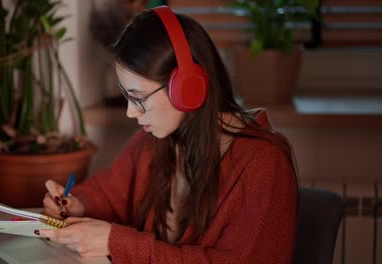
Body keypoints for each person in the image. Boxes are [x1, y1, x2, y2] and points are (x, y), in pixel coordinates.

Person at [37, 5, 298, 263]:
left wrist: (115, 242)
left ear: (188, 89)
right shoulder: (153, 140)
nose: (131, 112)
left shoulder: (264, 162)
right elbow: (109, 192)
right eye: (126, 95)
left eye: (138, 98)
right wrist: (77, 203)